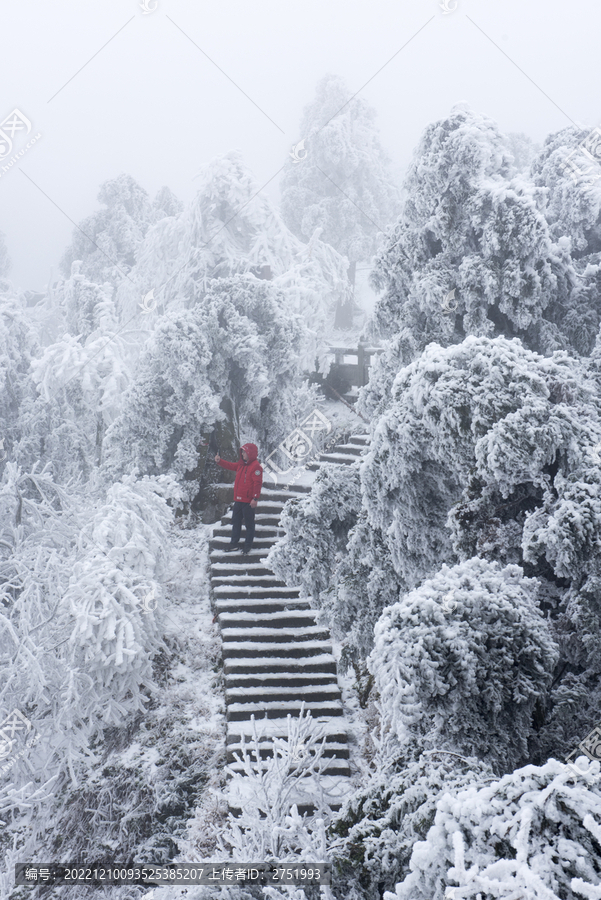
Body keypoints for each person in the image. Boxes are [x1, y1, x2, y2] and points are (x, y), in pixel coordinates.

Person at [215, 442, 263, 555]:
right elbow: (230, 466)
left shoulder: (256, 466)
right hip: (238, 500)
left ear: (250, 453)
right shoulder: (241, 464)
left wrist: (255, 499)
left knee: (249, 524)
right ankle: (233, 544)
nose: (242, 453)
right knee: (236, 522)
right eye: (241, 451)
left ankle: (248, 546)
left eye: (244, 452)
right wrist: (219, 461)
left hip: (248, 502)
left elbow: (258, 483)